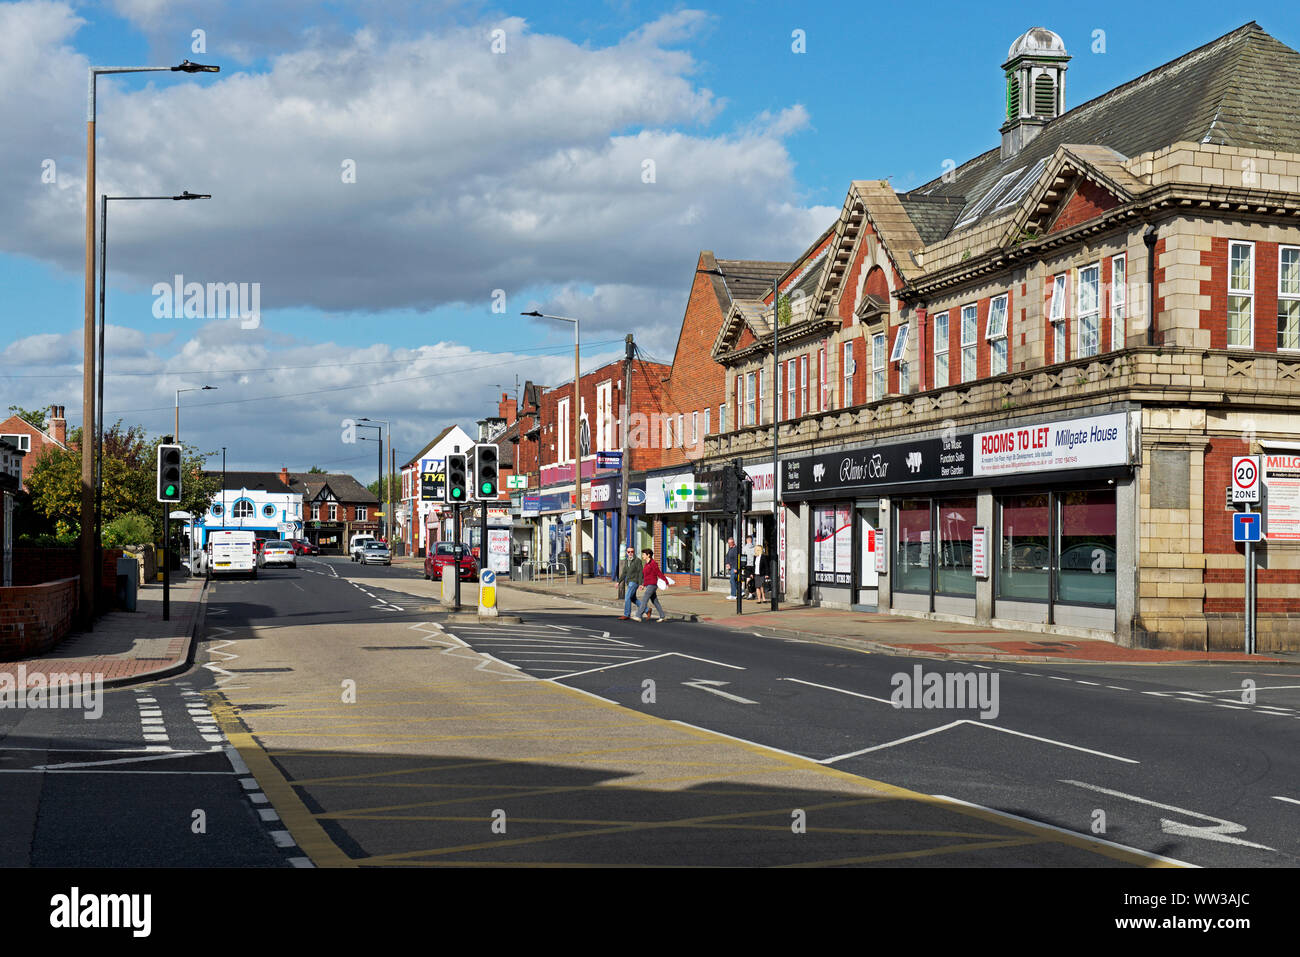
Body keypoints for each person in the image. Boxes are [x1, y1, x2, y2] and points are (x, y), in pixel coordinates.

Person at [631, 548, 665, 622]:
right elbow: (646, 576)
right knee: (655, 601)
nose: (642, 555)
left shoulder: (653, 563)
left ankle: (638, 616)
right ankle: (662, 616)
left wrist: (666, 581)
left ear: (648, 555)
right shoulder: (646, 564)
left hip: (652, 585)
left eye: (643, 554)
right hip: (648, 584)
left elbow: (659, 573)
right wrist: (643, 584)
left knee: (644, 600)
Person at [617, 546, 642, 620]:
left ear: (634, 552)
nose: (630, 553)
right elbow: (624, 573)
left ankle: (626, 614)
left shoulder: (637, 560)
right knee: (633, 599)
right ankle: (647, 609)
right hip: (629, 582)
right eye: (629, 552)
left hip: (634, 581)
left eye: (632, 552)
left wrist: (641, 583)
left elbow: (640, 572)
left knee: (627, 597)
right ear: (626, 553)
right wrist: (619, 582)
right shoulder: (626, 561)